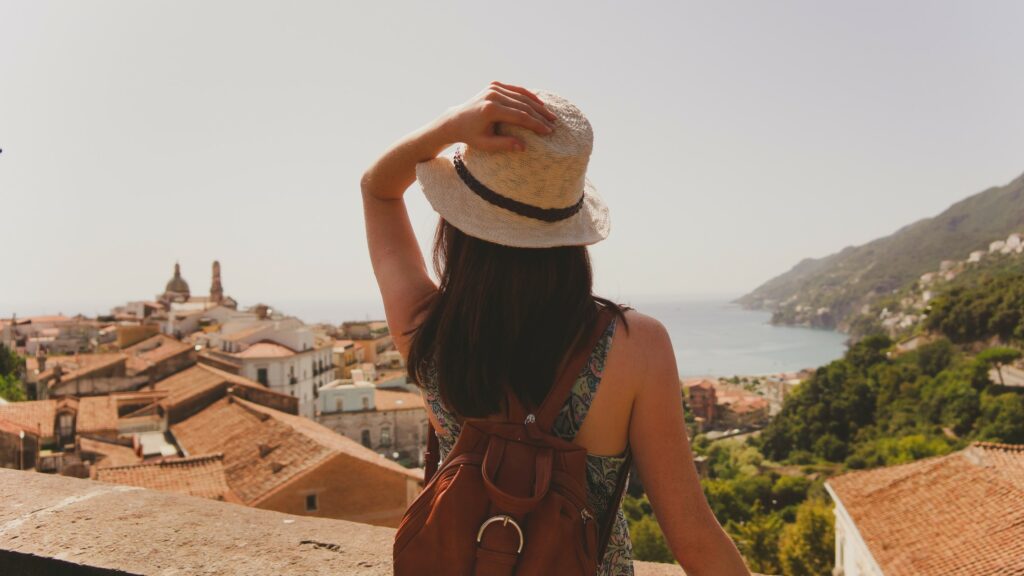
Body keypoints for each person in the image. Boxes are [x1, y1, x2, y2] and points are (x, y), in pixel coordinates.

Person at [361, 81, 751, 575]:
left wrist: (448, 126)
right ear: (571, 233)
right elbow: (691, 533)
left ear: (455, 223)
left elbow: (377, 189)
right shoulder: (637, 345)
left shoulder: (424, 325)